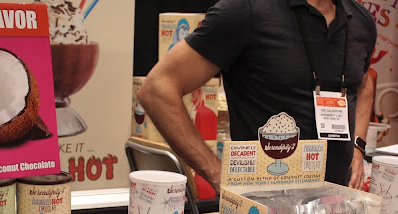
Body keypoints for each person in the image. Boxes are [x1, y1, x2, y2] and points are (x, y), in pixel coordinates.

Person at [138, 0, 376, 193]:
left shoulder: (360, 22)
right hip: (263, 213)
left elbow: (364, 84)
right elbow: (157, 89)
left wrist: (358, 146)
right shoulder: (246, 11)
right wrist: (218, 175)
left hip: (336, 208)